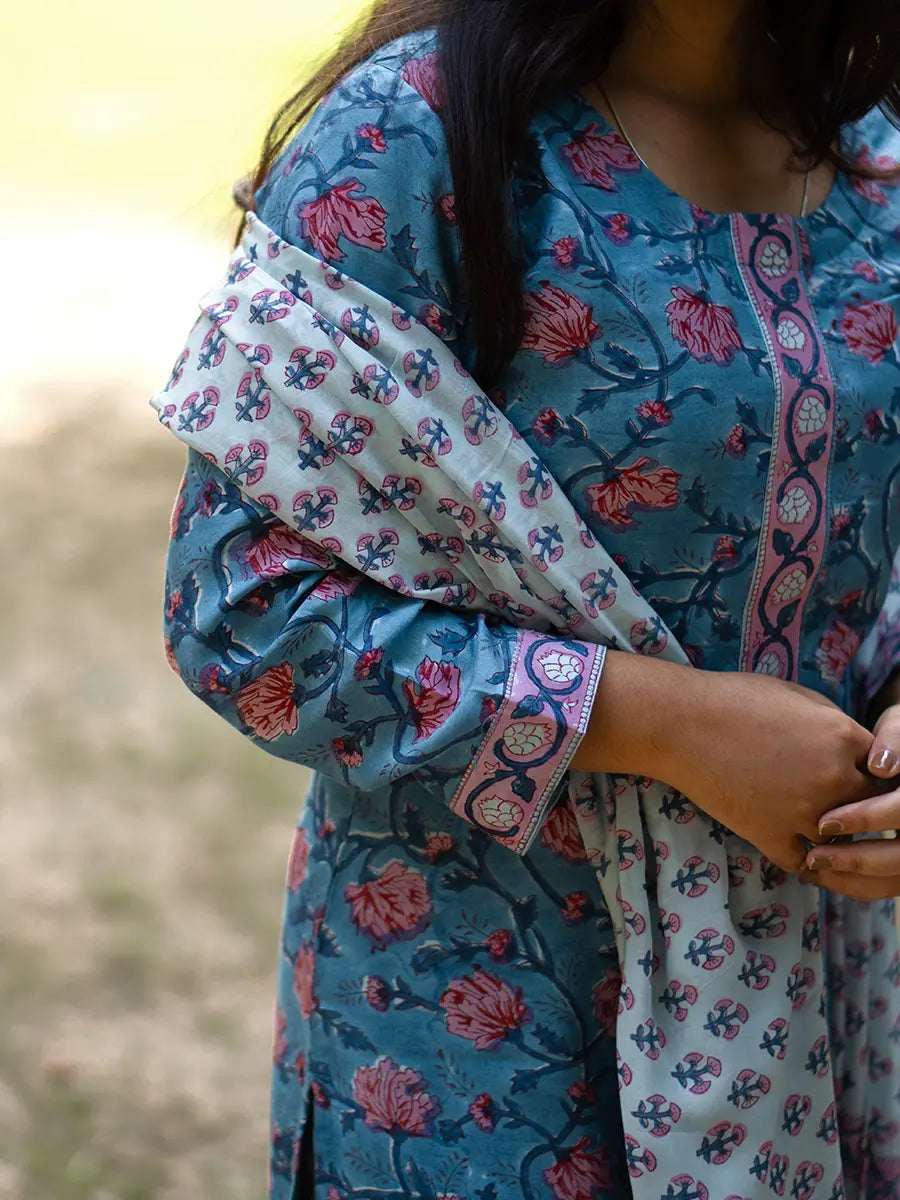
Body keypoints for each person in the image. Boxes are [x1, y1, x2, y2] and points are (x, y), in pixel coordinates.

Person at [160, 1, 900, 1196]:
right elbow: (242, 611)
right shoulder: (418, 139)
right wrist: (671, 726)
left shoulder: (871, 150)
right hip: (481, 1037)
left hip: (820, 1020)